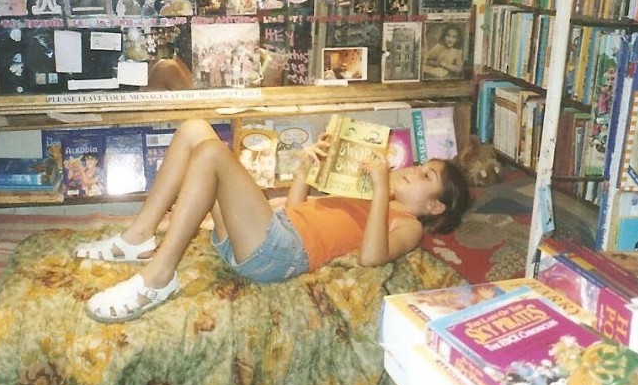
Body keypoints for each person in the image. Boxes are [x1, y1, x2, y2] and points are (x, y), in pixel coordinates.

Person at [73, 119, 470, 323]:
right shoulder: (367, 196)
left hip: (280, 254)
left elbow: (371, 257)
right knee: (195, 129)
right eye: (420, 166)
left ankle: (159, 277)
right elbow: (299, 212)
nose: (413, 170)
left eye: (425, 176)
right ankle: (139, 237)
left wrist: (382, 188)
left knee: (212, 152)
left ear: (436, 208)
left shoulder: (409, 225)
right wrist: (304, 172)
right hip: (274, 233)